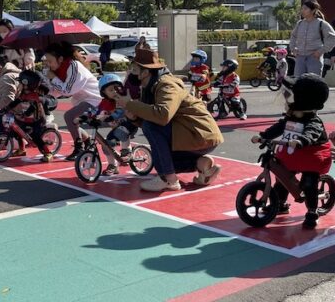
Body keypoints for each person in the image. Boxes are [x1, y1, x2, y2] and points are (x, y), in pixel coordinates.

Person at [109, 48, 224, 192]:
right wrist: (134, 118)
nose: (131, 73)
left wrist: (130, 104)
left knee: (151, 128)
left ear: (145, 72)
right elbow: (152, 117)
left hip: (199, 134)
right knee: (163, 159)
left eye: (134, 69)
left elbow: (162, 116)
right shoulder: (150, 86)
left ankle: (169, 180)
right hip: (189, 135)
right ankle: (203, 165)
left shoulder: (166, 85)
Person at [252, 74, 331, 229]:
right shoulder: (291, 117)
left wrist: (302, 140)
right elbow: (279, 127)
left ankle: (312, 211)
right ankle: (280, 203)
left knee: (309, 183)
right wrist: (263, 136)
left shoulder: (313, 121)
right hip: (293, 154)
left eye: (289, 98)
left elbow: (312, 132)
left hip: (311, 156)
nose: (286, 103)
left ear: (302, 101)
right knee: (282, 180)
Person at [44, 42, 102, 161]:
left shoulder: (74, 66)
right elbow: (56, 91)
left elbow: (67, 90)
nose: (48, 64)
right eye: (46, 61)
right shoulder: (61, 69)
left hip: (95, 99)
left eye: (50, 61)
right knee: (73, 122)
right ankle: (87, 142)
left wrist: (53, 78)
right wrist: (44, 94)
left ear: (60, 59)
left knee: (69, 117)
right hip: (83, 100)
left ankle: (79, 147)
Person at [0, 70, 56, 162]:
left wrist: (25, 114)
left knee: (35, 136)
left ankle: (48, 153)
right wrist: (5, 109)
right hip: (27, 119)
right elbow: (16, 101)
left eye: (20, 83)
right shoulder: (24, 93)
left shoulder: (35, 96)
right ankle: (22, 149)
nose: (19, 85)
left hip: (37, 120)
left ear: (27, 84)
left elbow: (33, 108)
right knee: (17, 131)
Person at [94, 74, 140, 176]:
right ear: (104, 93)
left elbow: (119, 111)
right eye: (110, 90)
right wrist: (85, 116)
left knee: (121, 131)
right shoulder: (105, 102)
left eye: (116, 88)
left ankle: (126, 150)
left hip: (131, 123)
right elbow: (96, 110)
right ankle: (112, 165)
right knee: (106, 144)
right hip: (117, 126)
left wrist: (110, 117)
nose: (115, 91)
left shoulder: (121, 99)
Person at [290, 0, 335, 76]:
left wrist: (321, 51)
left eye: (305, 9)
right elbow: (293, 36)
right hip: (300, 58)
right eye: (302, 8)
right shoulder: (300, 23)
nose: (302, 11)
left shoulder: (321, 23)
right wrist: (293, 48)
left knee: (313, 83)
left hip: (314, 58)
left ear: (313, 10)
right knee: (299, 82)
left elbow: (332, 38)